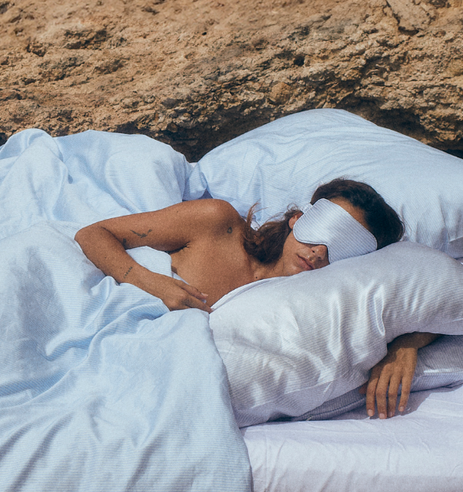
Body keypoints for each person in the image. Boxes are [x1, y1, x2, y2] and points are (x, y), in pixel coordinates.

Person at [75, 178, 432, 420]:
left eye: (346, 248)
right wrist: (151, 283)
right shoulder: (217, 223)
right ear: (296, 219)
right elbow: (95, 233)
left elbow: (420, 300)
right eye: (326, 230)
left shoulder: (319, 307)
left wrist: (407, 343)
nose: (321, 252)